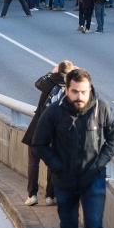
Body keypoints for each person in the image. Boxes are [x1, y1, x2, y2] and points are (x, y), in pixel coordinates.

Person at [32, 68, 114, 228]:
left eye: (83, 92)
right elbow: (39, 143)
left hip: (93, 181)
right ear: (67, 90)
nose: (79, 97)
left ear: (89, 89)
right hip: (64, 182)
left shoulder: (102, 109)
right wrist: (57, 166)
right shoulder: (54, 113)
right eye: (75, 92)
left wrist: (98, 165)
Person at [21, 60, 74, 206]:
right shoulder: (71, 87)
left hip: (38, 129)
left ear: (58, 70)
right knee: (52, 163)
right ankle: (50, 196)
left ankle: (32, 195)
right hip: (55, 132)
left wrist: (52, 72)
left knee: (33, 163)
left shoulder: (50, 81)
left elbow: (37, 83)